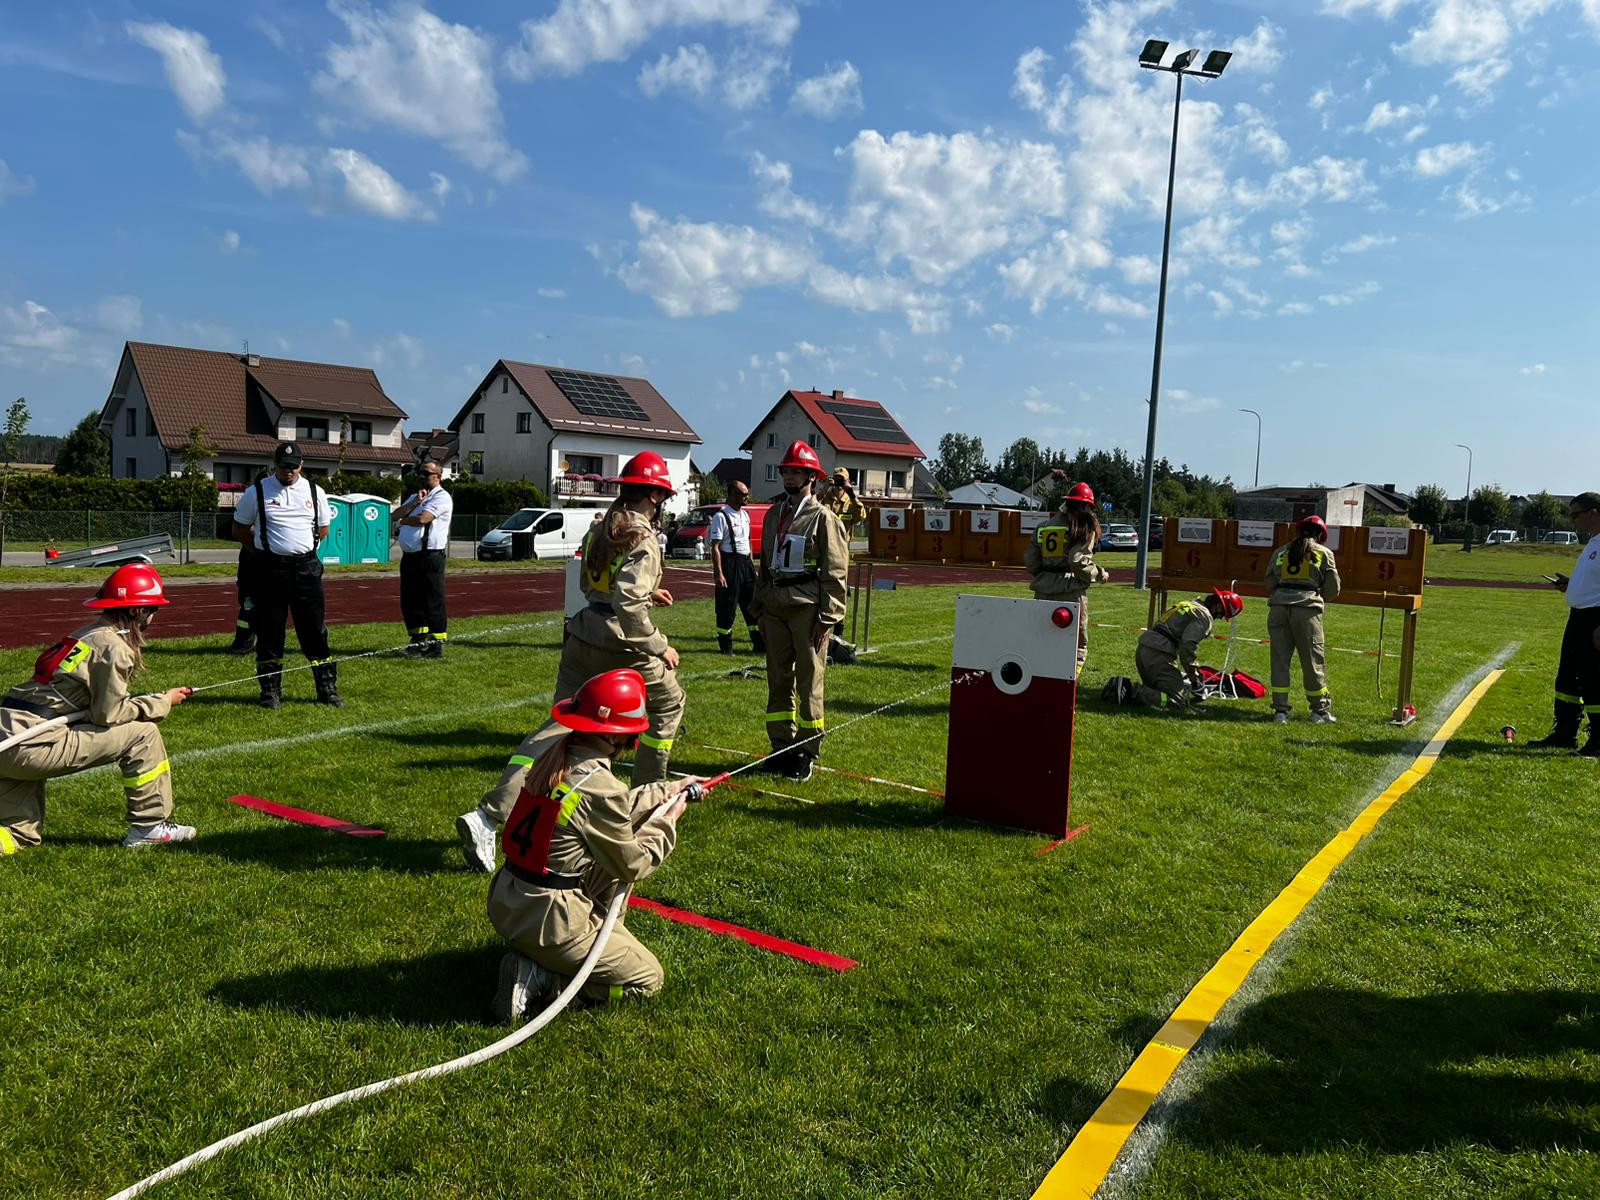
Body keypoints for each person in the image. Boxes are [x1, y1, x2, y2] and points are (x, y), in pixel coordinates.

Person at [487, 669, 701, 1018]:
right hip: (549, 923)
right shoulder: (599, 788)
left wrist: (670, 789)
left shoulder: (556, 758)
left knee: (607, 863)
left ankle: (560, 956)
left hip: (511, 902)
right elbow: (633, 864)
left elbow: (613, 810)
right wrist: (668, 820)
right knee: (648, 980)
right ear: (616, 735)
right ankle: (543, 979)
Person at [0, 564, 195, 853]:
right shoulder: (114, 647)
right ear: (136, 611)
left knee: (18, 834)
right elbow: (108, 715)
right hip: (32, 743)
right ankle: (149, 828)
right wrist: (162, 702)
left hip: (9, 735)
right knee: (143, 735)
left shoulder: (87, 634)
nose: (153, 617)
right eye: (152, 609)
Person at [555, 451, 684, 786]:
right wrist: (661, 647)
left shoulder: (600, 529)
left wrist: (649, 591)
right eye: (663, 496)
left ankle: (535, 788)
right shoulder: (643, 538)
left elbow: (591, 585)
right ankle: (648, 790)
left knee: (563, 721)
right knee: (669, 705)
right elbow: (628, 606)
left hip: (583, 636)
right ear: (655, 495)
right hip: (621, 644)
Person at [755, 440, 850, 781]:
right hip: (775, 605)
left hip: (807, 609)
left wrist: (828, 617)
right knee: (778, 678)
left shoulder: (824, 518)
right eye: (786, 471)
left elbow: (836, 571)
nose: (789, 477)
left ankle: (806, 752)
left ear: (812, 477)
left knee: (809, 680)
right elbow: (764, 566)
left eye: (797, 472)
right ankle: (780, 747)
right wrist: (760, 609)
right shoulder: (773, 516)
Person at [231, 441, 343, 709]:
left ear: (301, 465)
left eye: (293, 467)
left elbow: (323, 530)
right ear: (275, 465)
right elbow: (239, 529)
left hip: (306, 569)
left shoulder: (315, 491)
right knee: (270, 631)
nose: (288, 471)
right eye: (283, 467)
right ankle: (270, 691)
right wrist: (262, 550)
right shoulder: (257, 491)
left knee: (315, 631)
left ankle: (326, 688)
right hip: (270, 570)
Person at [1529, 492, 1600, 754]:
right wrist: (1572, 584)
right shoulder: (1593, 541)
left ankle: (1599, 739)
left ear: (1593, 513)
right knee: (1568, 678)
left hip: (1595, 620)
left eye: (1575, 515)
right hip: (1578, 618)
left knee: (1593, 680)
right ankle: (1565, 733)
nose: (1572, 521)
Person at [1024, 482, 1110, 672]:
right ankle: (1070, 684)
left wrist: (1045, 576)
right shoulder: (1083, 527)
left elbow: (1031, 560)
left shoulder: (1043, 526)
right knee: (1077, 646)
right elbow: (1077, 560)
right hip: (1070, 590)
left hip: (1043, 590)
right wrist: (1099, 574)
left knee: (1044, 640)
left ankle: (1043, 680)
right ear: (1086, 506)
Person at [1264, 514, 1342, 724]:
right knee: (1312, 662)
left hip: (1278, 610)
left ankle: (1280, 711)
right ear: (1321, 535)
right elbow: (1333, 588)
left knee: (1280, 662)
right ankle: (1319, 711)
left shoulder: (1280, 552)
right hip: (1306, 610)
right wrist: (1316, 595)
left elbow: (1269, 581)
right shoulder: (1324, 553)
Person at [1112, 588, 1243, 711]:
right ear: (1219, 606)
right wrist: (1194, 678)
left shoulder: (1192, 604)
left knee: (1160, 689)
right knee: (1177, 701)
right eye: (1222, 614)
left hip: (1145, 648)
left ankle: (1128, 691)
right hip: (1158, 654)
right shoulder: (1204, 616)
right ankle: (1129, 689)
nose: (1219, 618)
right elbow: (1187, 646)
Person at [393, 460, 453, 659]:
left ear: (438, 477)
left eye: (426, 473)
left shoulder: (442, 497)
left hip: (430, 556)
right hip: (411, 556)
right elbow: (394, 515)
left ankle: (436, 645)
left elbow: (423, 519)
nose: (421, 476)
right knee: (411, 600)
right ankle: (418, 641)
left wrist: (404, 520)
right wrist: (414, 503)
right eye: (420, 473)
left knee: (433, 599)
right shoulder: (416, 496)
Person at [707, 480, 765, 656]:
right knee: (727, 606)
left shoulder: (745, 515)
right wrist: (719, 573)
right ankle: (726, 646)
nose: (747, 498)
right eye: (743, 495)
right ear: (733, 494)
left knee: (753, 604)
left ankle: (759, 643)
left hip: (745, 564)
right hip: (730, 563)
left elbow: (747, 541)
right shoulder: (721, 516)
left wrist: (751, 565)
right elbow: (715, 547)